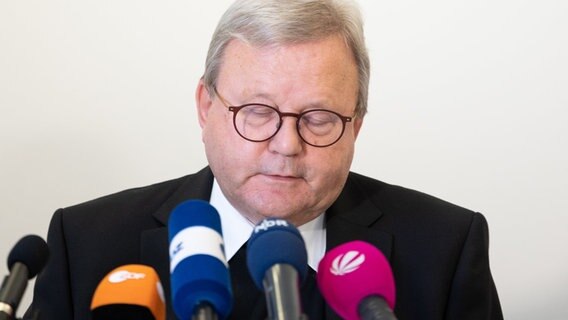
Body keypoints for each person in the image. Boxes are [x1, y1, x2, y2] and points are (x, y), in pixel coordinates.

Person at [25, 0, 503, 319]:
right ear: (205, 106)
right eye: (257, 112)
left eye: (317, 118)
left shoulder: (445, 250)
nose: (286, 145)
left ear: (355, 125)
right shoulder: (87, 244)